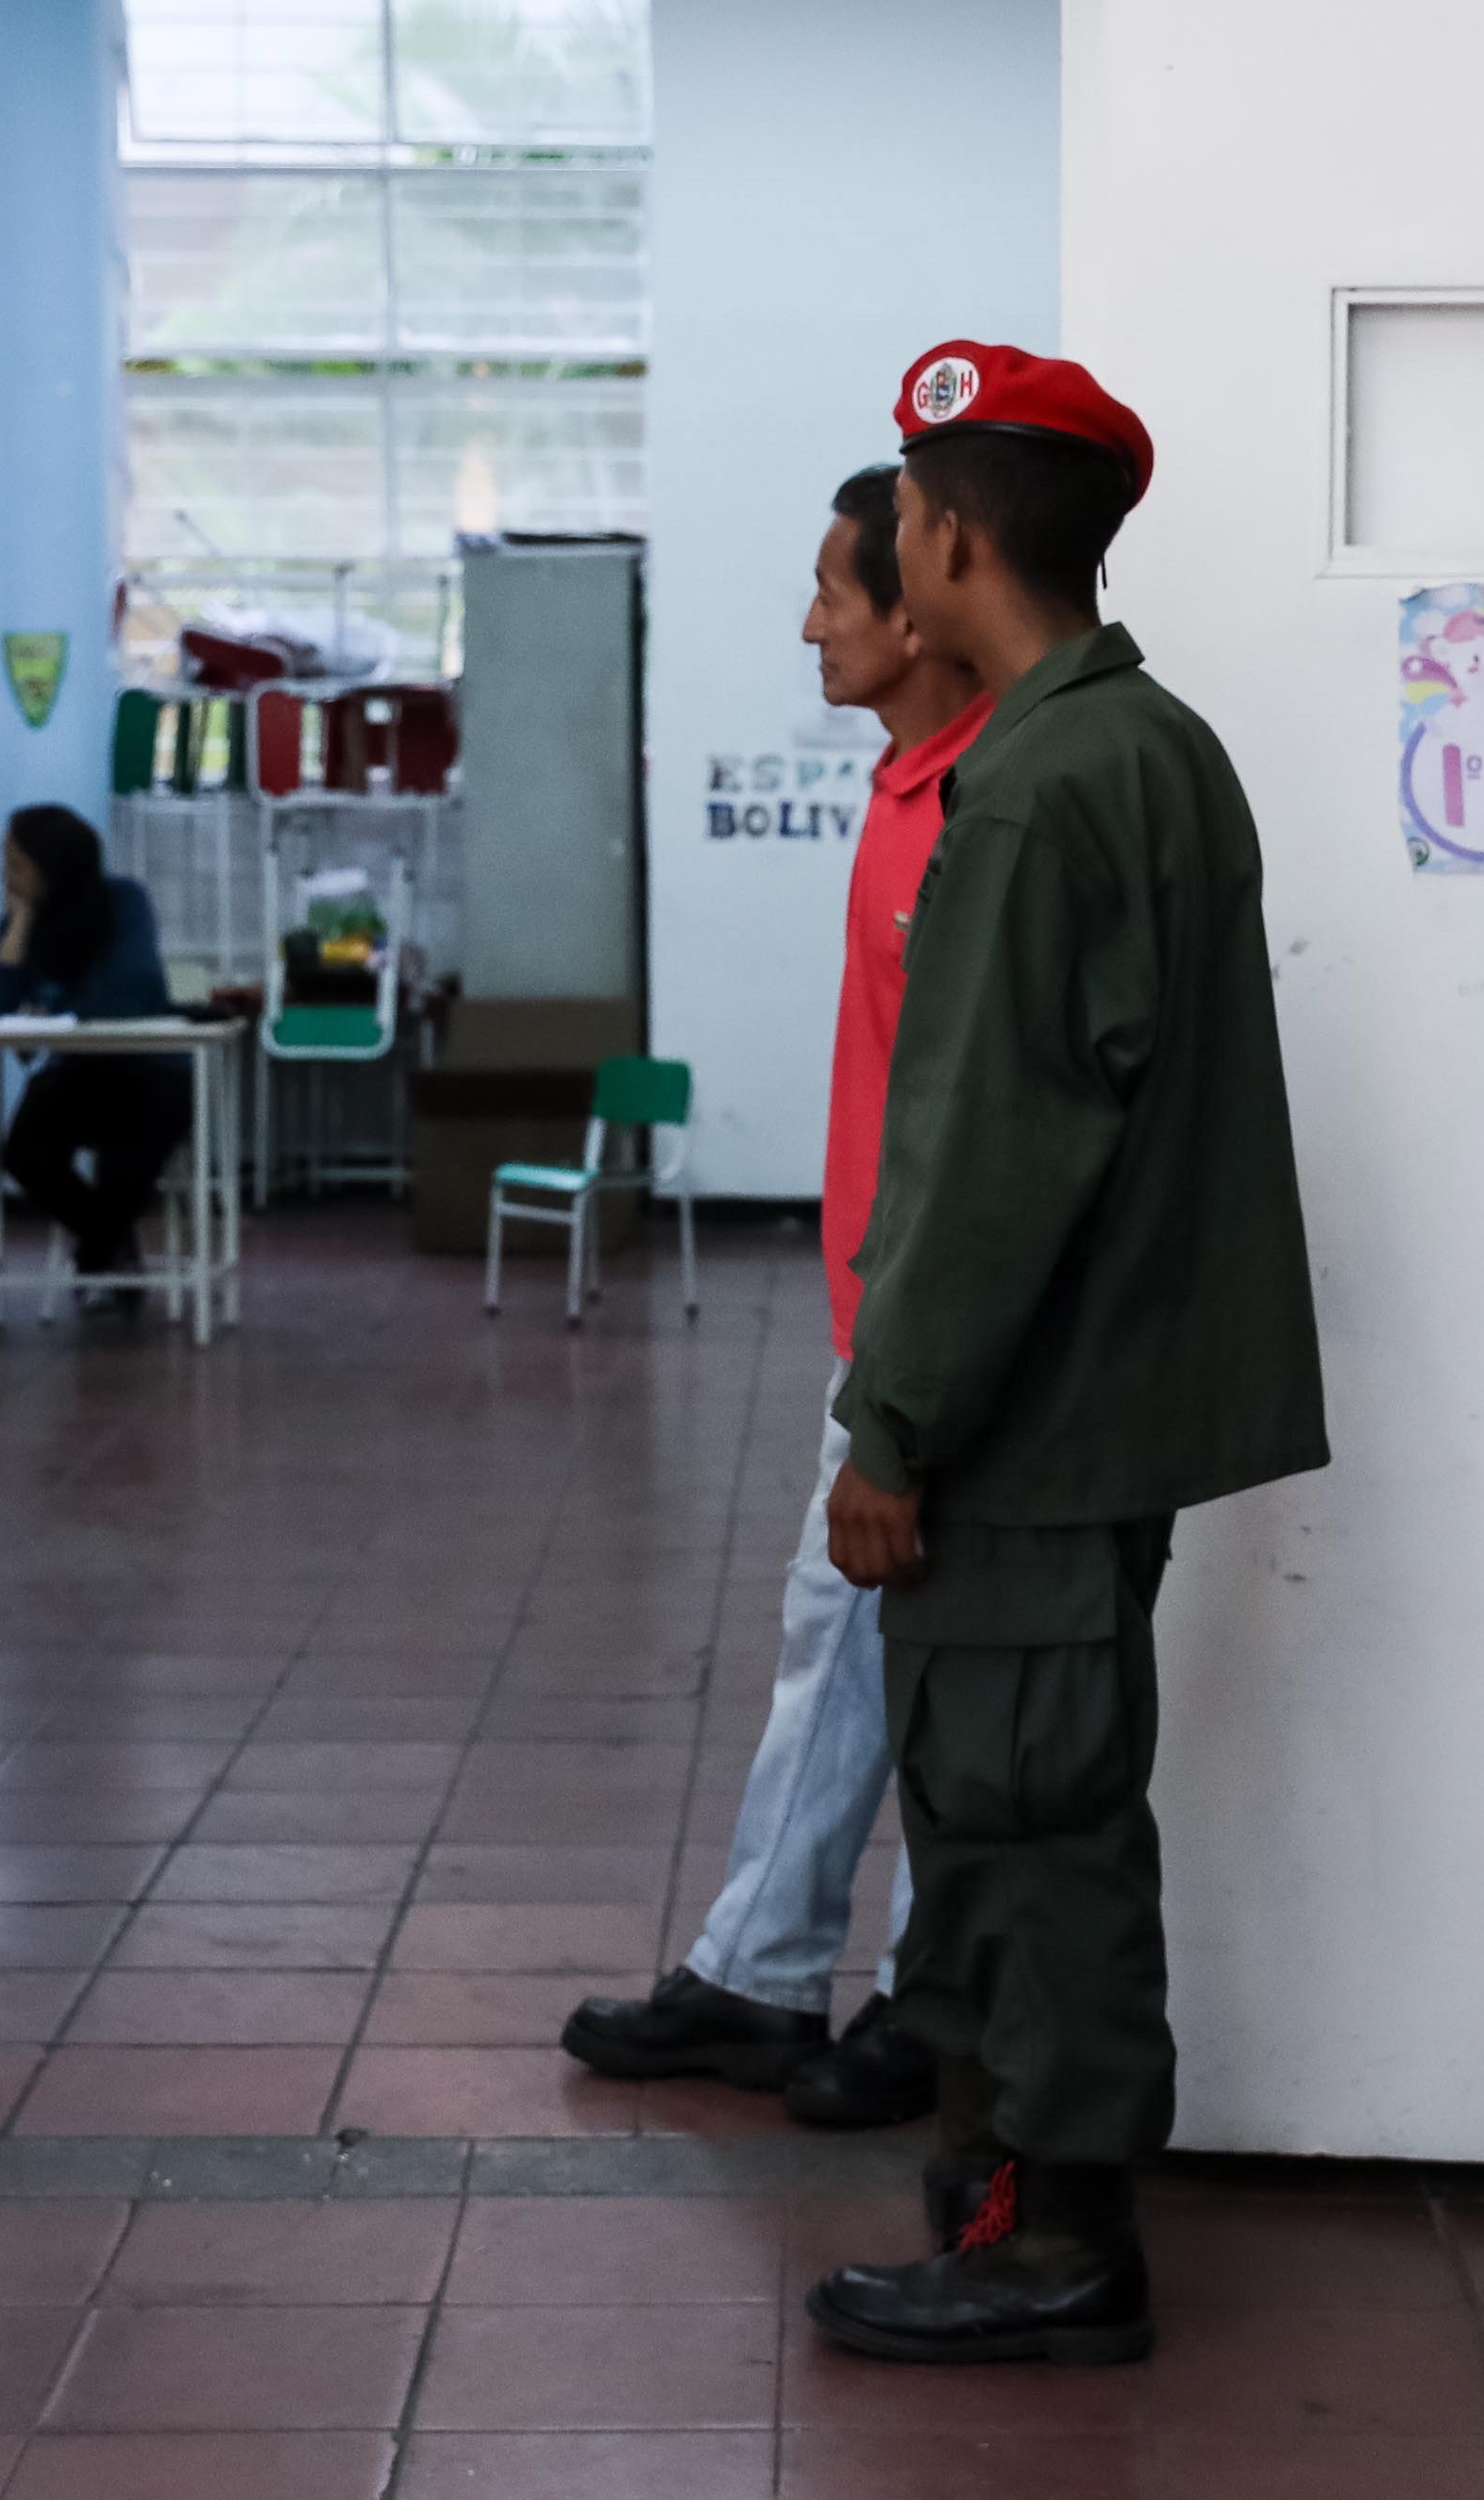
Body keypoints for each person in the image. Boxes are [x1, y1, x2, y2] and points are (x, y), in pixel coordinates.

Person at [801, 341, 1329, 2369]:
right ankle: (1007, 2189)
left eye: (906, 517)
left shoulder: (1025, 788)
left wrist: (893, 1422)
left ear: (945, 538)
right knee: (1042, 1803)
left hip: (1027, 1423)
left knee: (1023, 1832)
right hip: (1108, 1409)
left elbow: (989, 1155)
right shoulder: (1157, 740)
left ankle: (1052, 2236)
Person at [561, 465, 984, 2130]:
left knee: (944, 1664)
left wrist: (910, 1375)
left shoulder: (979, 811)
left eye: (835, 587)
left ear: (921, 606)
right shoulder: (900, 789)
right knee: (854, 1642)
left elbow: (982, 1133)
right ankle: (768, 1971)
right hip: (876, 1320)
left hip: (935, 1330)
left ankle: (908, 1995)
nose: (810, 618)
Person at [0, 802, 194, 1300]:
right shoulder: (19, 922)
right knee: (23, 1152)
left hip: (152, 1068)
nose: (6, 877)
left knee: (126, 1161)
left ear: (51, 863)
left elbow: (127, 990)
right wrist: (22, 921)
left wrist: (53, 1014)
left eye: (17, 864)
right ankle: (111, 1247)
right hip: (77, 1068)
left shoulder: (124, 902)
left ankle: (99, 1257)